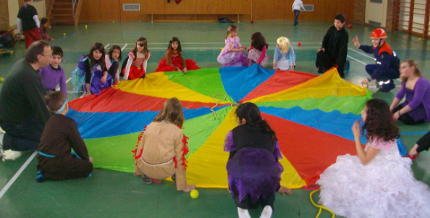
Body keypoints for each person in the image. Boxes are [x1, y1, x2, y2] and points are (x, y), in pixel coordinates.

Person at [317, 99, 430, 217]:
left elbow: (364, 161)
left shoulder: (380, 136)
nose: (361, 112)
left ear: (373, 117)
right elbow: (369, 149)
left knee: (346, 178)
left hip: (383, 167)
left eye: (365, 111)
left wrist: (356, 136)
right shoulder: (381, 127)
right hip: (381, 159)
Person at [224, 102, 292, 218]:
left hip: (243, 173)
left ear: (243, 120)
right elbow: (274, 163)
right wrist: (276, 186)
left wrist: (232, 185)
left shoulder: (234, 132)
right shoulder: (270, 133)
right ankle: (268, 207)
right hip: (265, 174)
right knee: (266, 191)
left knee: (241, 194)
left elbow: (231, 161)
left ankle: (242, 209)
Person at [0, 41, 51, 159]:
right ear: (39, 57)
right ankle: (6, 140)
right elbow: (40, 108)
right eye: (49, 55)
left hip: (21, 115)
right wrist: (53, 129)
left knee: (47, 134)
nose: (51, 58)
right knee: (47, 142)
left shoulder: (25, 65)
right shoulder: (28, 76)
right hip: (14, 122)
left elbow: (41, 94)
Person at [133, 98, 196, 192]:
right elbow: (180, 160)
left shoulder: (150, 126)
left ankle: (146, 176)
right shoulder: (177, 132)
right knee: (177, 155)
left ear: (163, 110)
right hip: (164, 171)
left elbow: (139, 150)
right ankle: (178, 182)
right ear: (179, 114)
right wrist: (184, 186)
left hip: (145, 167)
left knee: (149, 149)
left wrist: (137, 170)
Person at [36, 91, 93, 182]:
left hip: (42, 159)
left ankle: (43, 169)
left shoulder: (50, 120)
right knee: (87, 167)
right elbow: (78, 144)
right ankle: (48, 174)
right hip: (55, 161)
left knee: (72, 156)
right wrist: (86, 159)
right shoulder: (69, 123)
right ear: (66, 106)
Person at [390, 59, 430, 125]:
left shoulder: (421, 82)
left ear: (412, 68)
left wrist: (399, 113)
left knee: (405, 119)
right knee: (393, 112)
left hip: (421, 108)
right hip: (408, 104)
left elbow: (416, 102)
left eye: (404, 67)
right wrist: (390, 109)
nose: (400, 70)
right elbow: (399, 95)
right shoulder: (406, 80)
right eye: (400, 68)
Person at [315, 13, 348, 78]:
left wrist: (340, 62)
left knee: (338, 71)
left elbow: (343, 50)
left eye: (338, 22)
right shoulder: (332, 29)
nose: (336, 24)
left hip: (337, 56)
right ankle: (323, 70)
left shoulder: (344, 34)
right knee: (320, 54)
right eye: (335, 22)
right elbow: (325, 38)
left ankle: (346, 63)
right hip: (329, 53)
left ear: (343, 23)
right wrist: (323, 47)